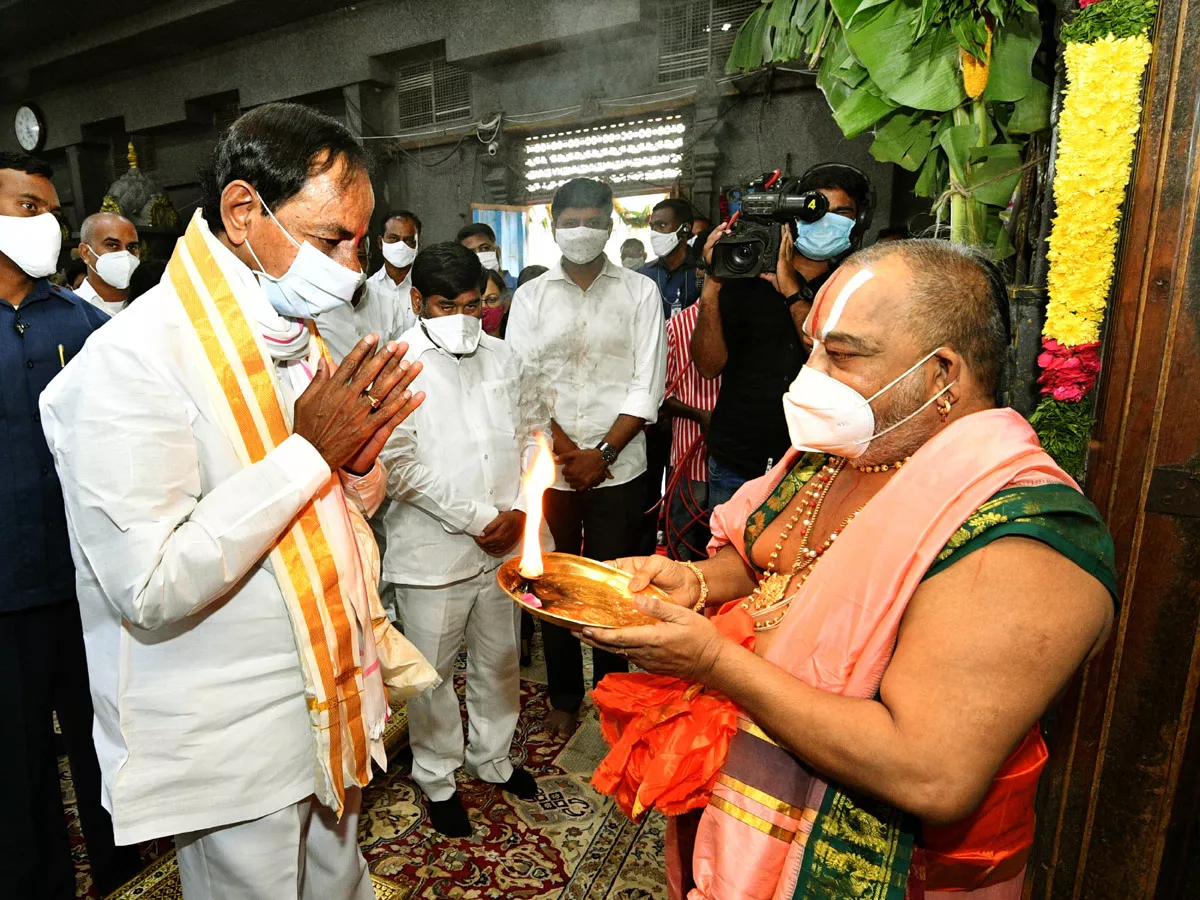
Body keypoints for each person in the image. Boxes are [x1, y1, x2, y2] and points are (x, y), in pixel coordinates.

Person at [586, 240, 1117, 900]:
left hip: (890, 872)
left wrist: (711, 662)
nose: (806, 376)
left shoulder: (1019, 534)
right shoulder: (846, 448)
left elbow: (929, 774)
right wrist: (695, 581)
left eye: (840, 355)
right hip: (745, 801)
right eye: (810, 347)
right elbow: (774, 561)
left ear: (941, 373)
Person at [40, 102, 434, 900]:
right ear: (244, 211)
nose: (355, 267)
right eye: (333, 240)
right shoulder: (129, 360)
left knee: (341, 885)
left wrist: (354, 484)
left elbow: (304, 512)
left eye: (360, 241)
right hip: (233, 736)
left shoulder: (291, 327)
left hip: (325, 695)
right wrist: (308, 457)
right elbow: (149, 587)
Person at [0, 151, 141, 900]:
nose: (45, 225)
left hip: (88, 583)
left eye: (52, 210)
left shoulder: (86, 326)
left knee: (106, 746)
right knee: (17, 769)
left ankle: (126, 872)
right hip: (3, 593)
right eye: (28, 207)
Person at [379, 241, 542, 837]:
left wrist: (521, 509)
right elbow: (398, 467)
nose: (462, 319)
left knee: (500, 661)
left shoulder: (505, 358)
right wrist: (480, 517)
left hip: (503, 546)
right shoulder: (394, 366)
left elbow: (533, 437)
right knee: (432, 674)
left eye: (474, 304)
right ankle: (437, 774)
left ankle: (493, 758)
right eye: (447, 305)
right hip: (433, 552)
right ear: (419, 300)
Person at [506, 177, 666, 739]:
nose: (580, 231)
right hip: (550, 464)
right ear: (553, 227)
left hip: (620, 466)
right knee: (550, 580)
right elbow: (524, 383)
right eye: (568, 221)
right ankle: (565, 694)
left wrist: (603, 452)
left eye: (590, 221)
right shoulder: (530, 297)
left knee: (612, 584)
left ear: (610, 223)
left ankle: (612, 691)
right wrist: (570, 453)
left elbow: (648, 383)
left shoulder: (641, 293)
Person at [693, 162, 874, 509]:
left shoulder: (855, 290)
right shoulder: (743, 280)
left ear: (858, 223)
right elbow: (707, 366)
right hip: (737, 462)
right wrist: (712, 286)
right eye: (817, 209)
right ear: (794, 215)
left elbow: (829, 355)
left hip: (819, 467)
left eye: (841, 213)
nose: (827, 221)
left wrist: (792, 291)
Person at [318, 209, 421, 361]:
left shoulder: (388, 302)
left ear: (368, 257)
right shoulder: (316, 309)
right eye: (393, 238)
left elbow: (402, 357)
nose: (353, 265)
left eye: (360, 257)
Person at [660, 299, 720, 561]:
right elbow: (659, 395)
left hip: (734, 463)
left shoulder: (745, 319)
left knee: (722, 546)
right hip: (688, 458)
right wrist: (700, 415)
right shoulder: (676, 326)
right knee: (683, 546)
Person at [640, 198, 702, 320]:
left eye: (662, 225)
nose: (654, 233)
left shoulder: (702, 271)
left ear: (685, 228)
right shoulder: (643, 275)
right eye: (652, 227)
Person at [74, 211, 141, 316]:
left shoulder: (153, 303)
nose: (125, 254)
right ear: (85, 253)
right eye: (112, 245)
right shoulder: (67, 309)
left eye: (131, 247)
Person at [457, 222, 517, 290]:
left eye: (484, 248)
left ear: (498, 252)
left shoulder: (522, 287)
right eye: (471, 252)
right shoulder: (463, 294)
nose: (478, 256)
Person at [481, 267, 508, 337]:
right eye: (477, 301)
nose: (483, 307)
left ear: (506, 304)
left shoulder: (517, 343)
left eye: (491, 299)